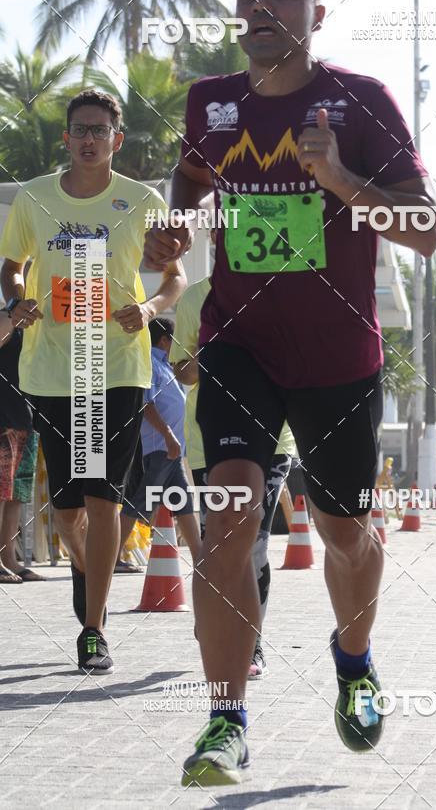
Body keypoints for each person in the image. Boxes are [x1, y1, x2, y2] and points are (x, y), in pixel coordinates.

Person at [144, 0, 436, 785]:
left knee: (345, 535)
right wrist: (176, 225)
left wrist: (339, 177)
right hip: (241, 342)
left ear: (317, 11)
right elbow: (190, 179)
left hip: (340, 357)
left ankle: (354, 660)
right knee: (232, 514)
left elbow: (425, 230)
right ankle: (224, 721)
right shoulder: (212, 103)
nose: (264, 6)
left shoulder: (361, 101)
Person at [0, 90, 186, 674]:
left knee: (104, 499)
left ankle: (94, 629)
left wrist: (151, 309)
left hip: (118, 367)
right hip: (54, 367)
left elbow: (173, 275)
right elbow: (11, 264)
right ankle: (90, 571)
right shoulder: (34, 198)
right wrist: (20, 296)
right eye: (79, 129)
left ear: (116, 139)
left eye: (99, 130)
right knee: (66, 512)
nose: (88, 138)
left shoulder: (141, 199)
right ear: (66, 138)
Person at [170, 274, 295, 679]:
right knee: (217, 542)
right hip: (211, 440)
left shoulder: (285, 288)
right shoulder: (195, 297)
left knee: (254, 541)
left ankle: (250, 641)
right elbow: (183, 372)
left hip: (273, 440)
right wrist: (220, 353)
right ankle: (213, 619)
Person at [119, 316, 202, 566]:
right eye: (175, 340)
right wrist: (168, 436)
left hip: (171, 449)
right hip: (161, 447)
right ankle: (110, 556)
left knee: (184, 499)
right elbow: (147, 405)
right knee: (140, 503)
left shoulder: (166, 365)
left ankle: (201, 557)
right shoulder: (151, 364)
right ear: (165, 340)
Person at [0, 311, 43, 582]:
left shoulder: (38, 326)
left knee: (17, 494)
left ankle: (9, 558)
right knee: (1, 491)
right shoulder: (6, 317)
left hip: (25, 418)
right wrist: (11, 313)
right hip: (3, 417)